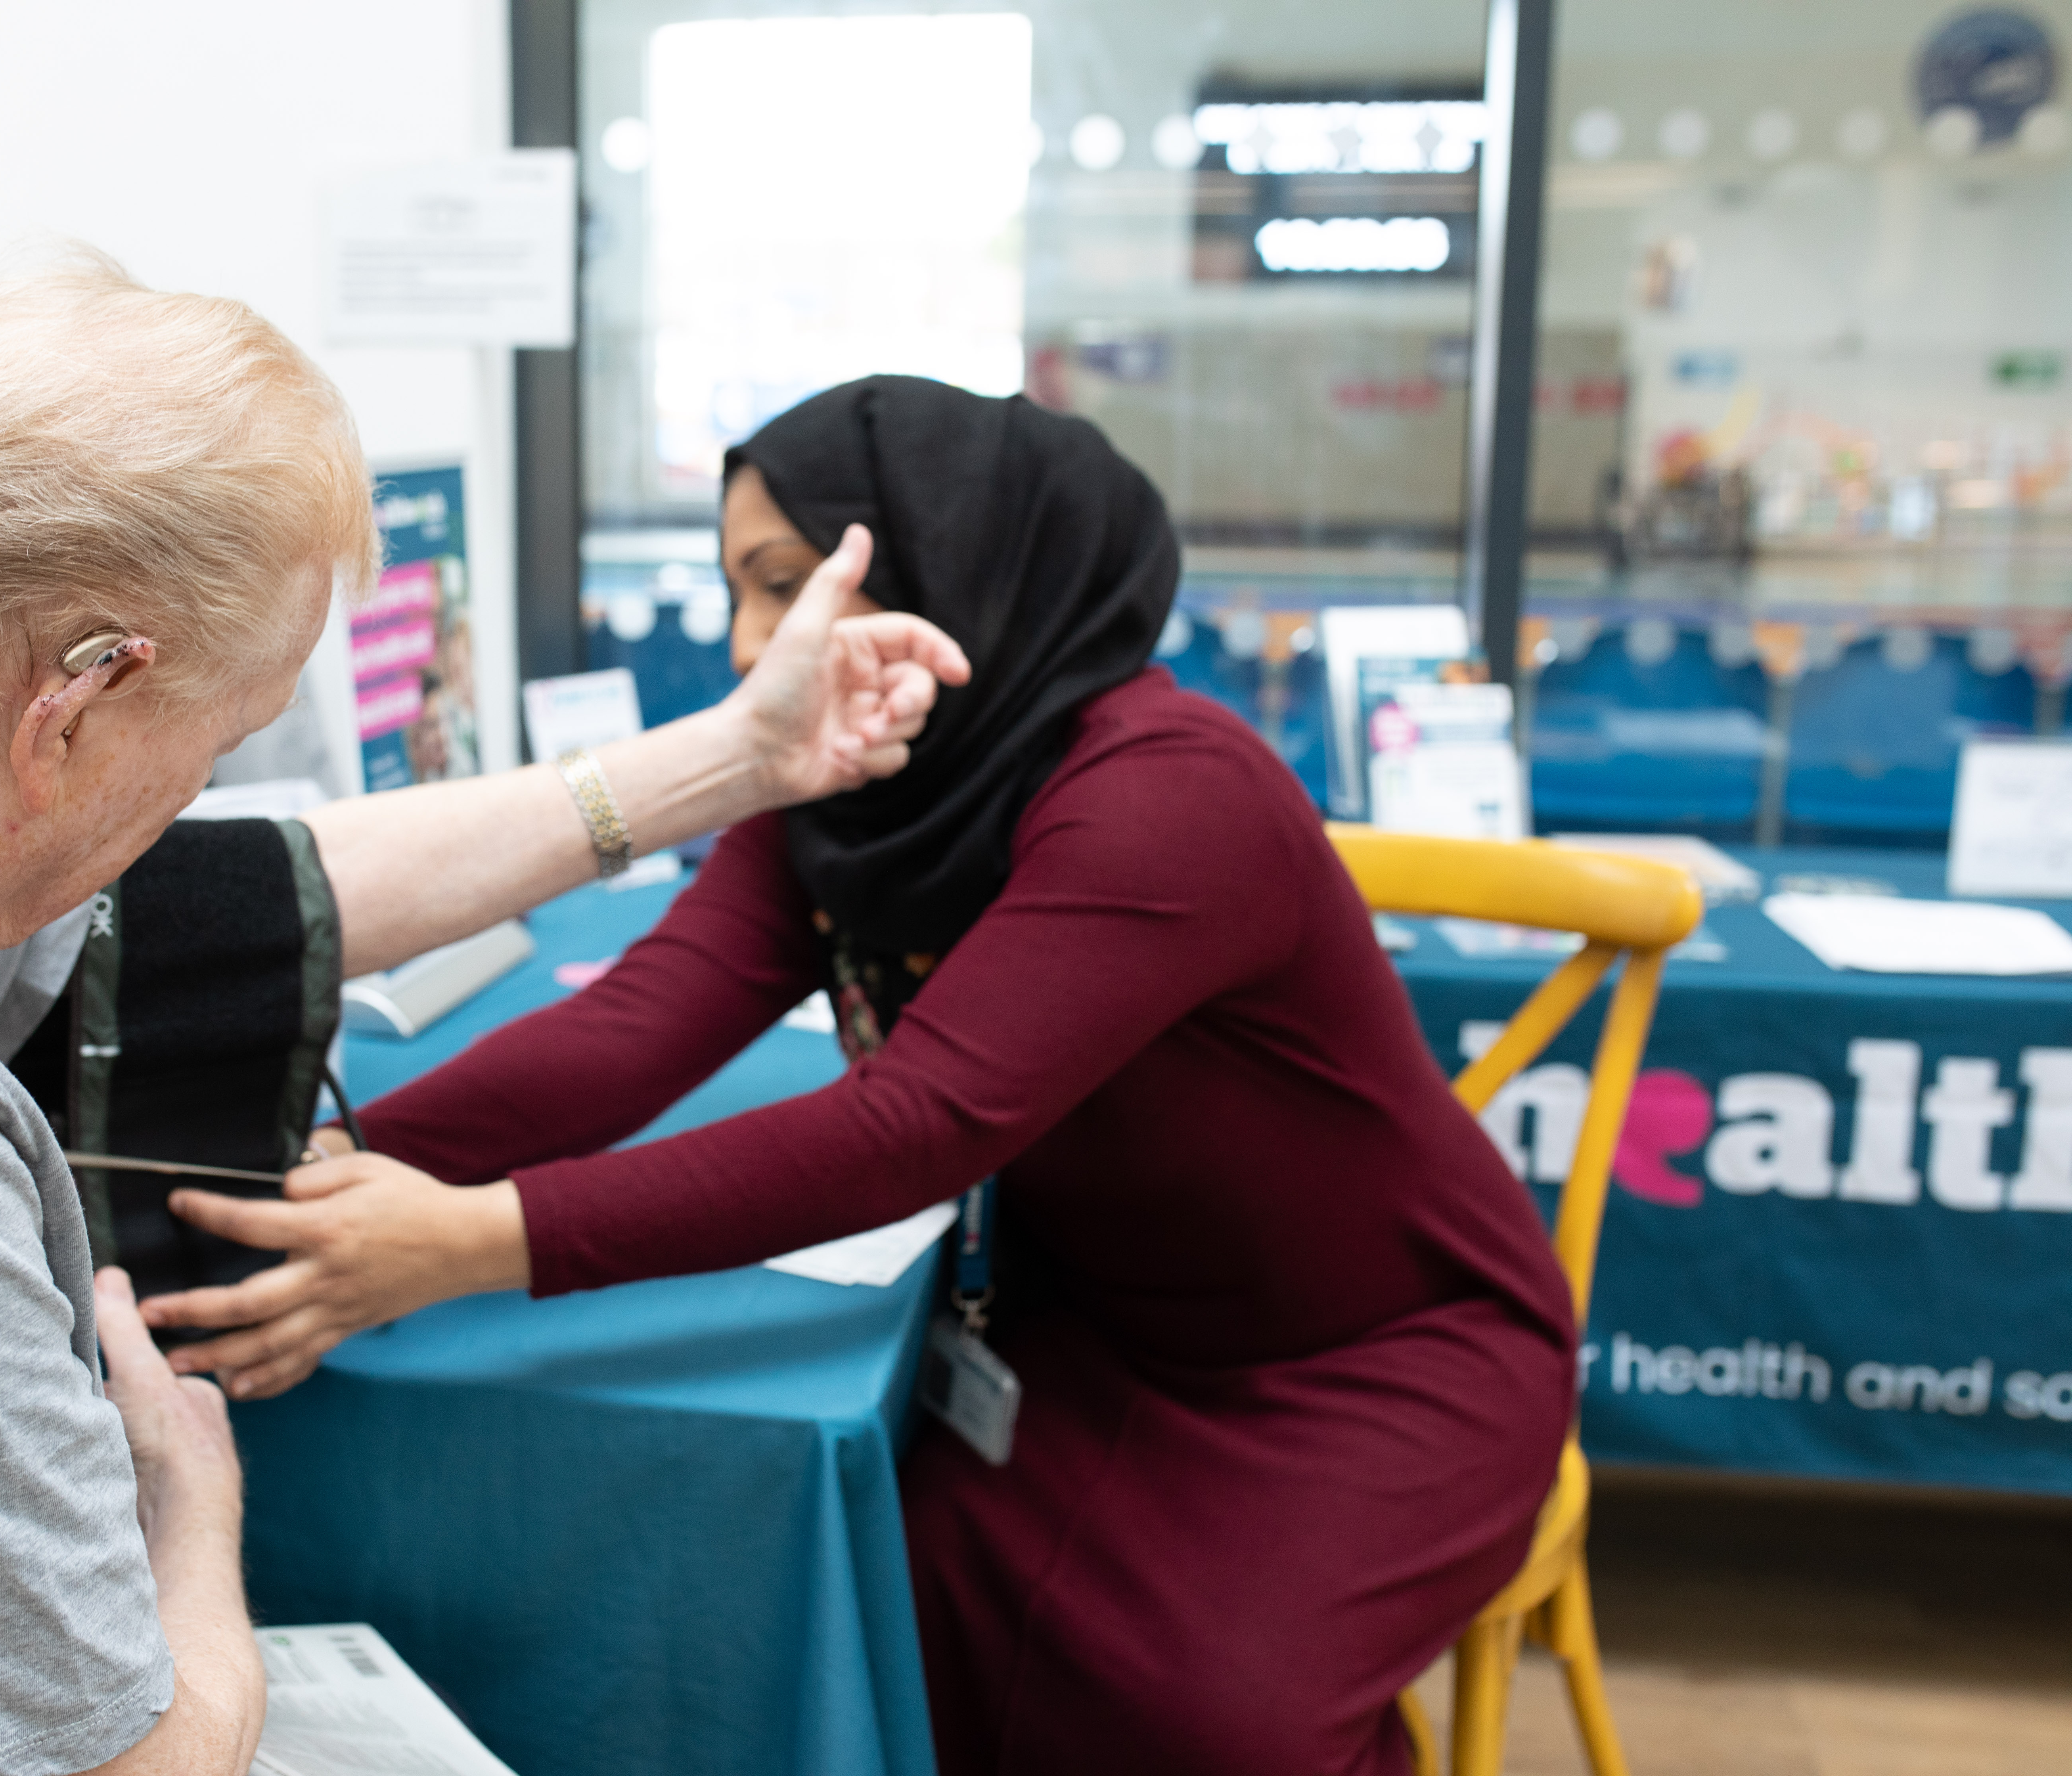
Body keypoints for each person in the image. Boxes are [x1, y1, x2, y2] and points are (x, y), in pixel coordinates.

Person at [0, 268, 962, 1776]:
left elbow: (264, 899)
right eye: (213, 747)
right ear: (71, 711)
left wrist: (739, 757)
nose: (189, 814)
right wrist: (187, 1510)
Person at [136, 376, 1578, 1773]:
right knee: (909, 1601)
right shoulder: (859, 771)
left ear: (954, 564)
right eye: (743, 596)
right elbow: (642, 1023)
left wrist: (467, 1240)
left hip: (1375, 1358)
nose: (764, 640)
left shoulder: (1168, 793)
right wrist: (294, 1170)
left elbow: (916, 1127)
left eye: (790, 581)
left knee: (1211, 1719)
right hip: (1102, 1332)